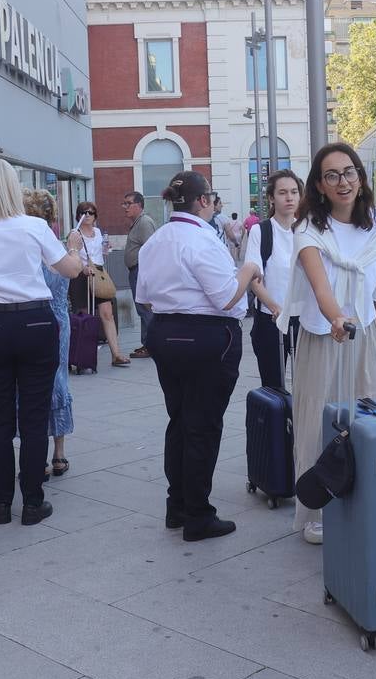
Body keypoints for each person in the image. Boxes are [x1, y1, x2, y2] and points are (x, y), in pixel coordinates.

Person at [0, 158, 84, 526]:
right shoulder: (34, 226)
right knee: (34, 415)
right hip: (35, 321)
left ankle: (0, 503)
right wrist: (73, 249)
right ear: (12, 187)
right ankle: (33, 502)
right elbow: (69, 270)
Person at [135, 171, 263, 542]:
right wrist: (248, 270)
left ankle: (177, 505)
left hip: (164, 333)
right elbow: (226, 295)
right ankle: (198, 514)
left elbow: (143, 296)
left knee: (179, 420)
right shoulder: (202, 240)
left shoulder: (156, 240)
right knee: (202, 426)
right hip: (205, 337)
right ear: (203, 201)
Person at [278, 143, 376, 544]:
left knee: (372, 417)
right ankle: (315, 510)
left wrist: (374, 318)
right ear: (320, 186)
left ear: (360, 176)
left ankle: (369, 499)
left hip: (365, 335)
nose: (343, 182)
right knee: (316, 424)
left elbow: (374, 280)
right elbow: (321, 287)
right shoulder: (308, 230)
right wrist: (337, 318)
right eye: (332, 175)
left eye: (349, 172)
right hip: (325, 336)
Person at [24, 189, 75, 478]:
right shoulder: (56, 247)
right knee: (58, 380)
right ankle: (59, 453)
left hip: (34, 319)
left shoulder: (26, 247)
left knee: (31, 386)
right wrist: (75, 250)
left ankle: (40, 456)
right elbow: (72, 273)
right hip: (58, 319)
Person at [245, 170, 303, 392]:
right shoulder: (261, 231)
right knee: (273, 386)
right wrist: (275, 307)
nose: (289, 197)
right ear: (271, 198)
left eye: (294, 192)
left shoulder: (307, 229)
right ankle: (277, 426)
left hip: (303, 320)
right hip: (271, 320)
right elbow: (254, 277)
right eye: (282, 192)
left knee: (307, 385)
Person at [67, 200, 129, 367]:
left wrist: (106, 249)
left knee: (107, 313)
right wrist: (83, 268)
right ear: (78, 216)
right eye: (83, 212)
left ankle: (116, 354)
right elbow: (71, 255)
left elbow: (101, 254)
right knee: (85, 316)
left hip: (99, 273)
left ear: (95, 216)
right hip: (81, 275)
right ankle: (84, 355)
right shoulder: (75, 233)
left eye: (91, 212)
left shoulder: (98, 232)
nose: (87, 215)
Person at [122, 190, 157, 359]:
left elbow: (151, 250)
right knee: (142, 310)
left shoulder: (144, 222)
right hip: (136, 271)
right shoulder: (137, 222)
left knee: (145, 309)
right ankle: (147, 344)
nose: (125, 207)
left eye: (128, 203)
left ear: (139, 205)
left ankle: (152, 345)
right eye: (124, 203)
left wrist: (146, 275)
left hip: (141, 272)